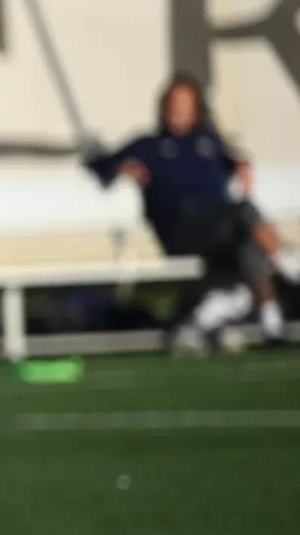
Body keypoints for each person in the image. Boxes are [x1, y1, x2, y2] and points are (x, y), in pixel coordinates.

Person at [88, 74, 299, 344]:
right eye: (174, 103)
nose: (178, 109)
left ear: (196, 107)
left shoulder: (208, 141)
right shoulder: (148, 146)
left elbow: (234, 160)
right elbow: (101, 165)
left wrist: (242, 164)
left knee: (249, 243)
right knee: (243, 215)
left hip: (219, 229)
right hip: (181, 229)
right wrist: (122, 167)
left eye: (185, 103)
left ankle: (272, 327)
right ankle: (290, 269)